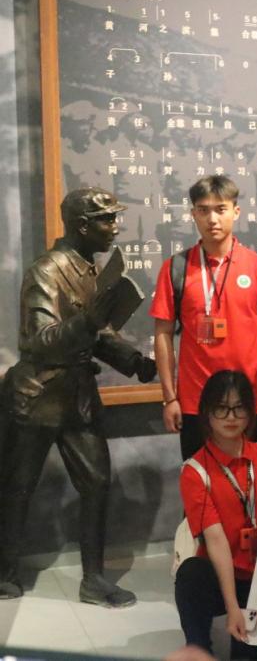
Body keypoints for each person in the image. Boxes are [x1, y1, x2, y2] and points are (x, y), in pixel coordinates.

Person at [0, 187, 157, 605]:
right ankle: (4, 573)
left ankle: (93, 579)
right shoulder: (46, 271)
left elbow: (98, 333)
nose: (115, 227)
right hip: (37, 396)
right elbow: (41, 339)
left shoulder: (90, 269)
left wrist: (133, 361)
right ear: (82, 225)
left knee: (97, 483)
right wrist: (88, 321)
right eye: (107, 219)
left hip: (78, 399)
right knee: (17, 486)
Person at [152, 176, 257, 461]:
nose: (212, 219)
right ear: (193, 214)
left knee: (252, 480)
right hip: (197, 402)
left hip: (251, 400)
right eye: (203, 210)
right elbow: (162, 334)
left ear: (236, 211)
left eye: (220, 209)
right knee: (201, 482)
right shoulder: (176, 268)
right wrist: (170, 398)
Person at [174, 370, 257, 659]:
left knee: (249, 654)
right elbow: (216, 540)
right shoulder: (195, 472)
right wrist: (233, 608)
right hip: (221, 577)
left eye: (239, 408)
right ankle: (199, 649)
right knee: (191, 575)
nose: (231, 417)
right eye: (221, 408)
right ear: (207, 413)